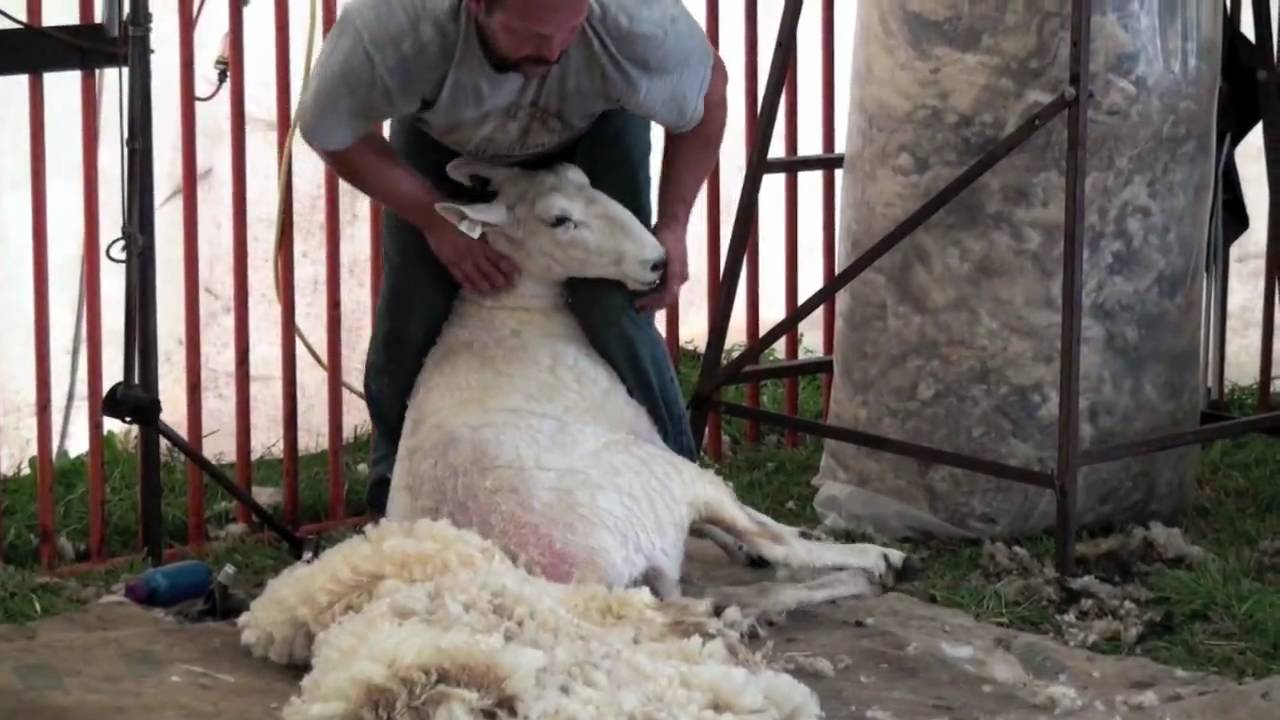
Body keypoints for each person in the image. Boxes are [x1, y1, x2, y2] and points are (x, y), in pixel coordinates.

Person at [293, 0, 729, 517]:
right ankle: (396, 496)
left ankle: (684, 488)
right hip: (443, 139)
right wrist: (435, 221)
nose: (551, 52)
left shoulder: (636, 21)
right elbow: (329, 129)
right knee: (413, 311)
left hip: (595, 129)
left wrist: (674, 224)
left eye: (568, 31)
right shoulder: (397, 25)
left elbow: (708, 94)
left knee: (615, 307)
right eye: (531, 35)